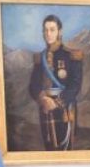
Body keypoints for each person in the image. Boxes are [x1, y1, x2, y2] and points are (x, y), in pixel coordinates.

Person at [28, 14, 83, 151]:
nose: (48, 33)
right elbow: (33, 86)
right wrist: (43, 99)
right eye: (45, 30)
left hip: (65, 109)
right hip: (45, 109)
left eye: (52, 29)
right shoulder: (40, 59)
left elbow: (75, 86)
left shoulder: (71, 56)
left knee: (66, 150)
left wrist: (57, 102)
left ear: (60, 31)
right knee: (49, 150)